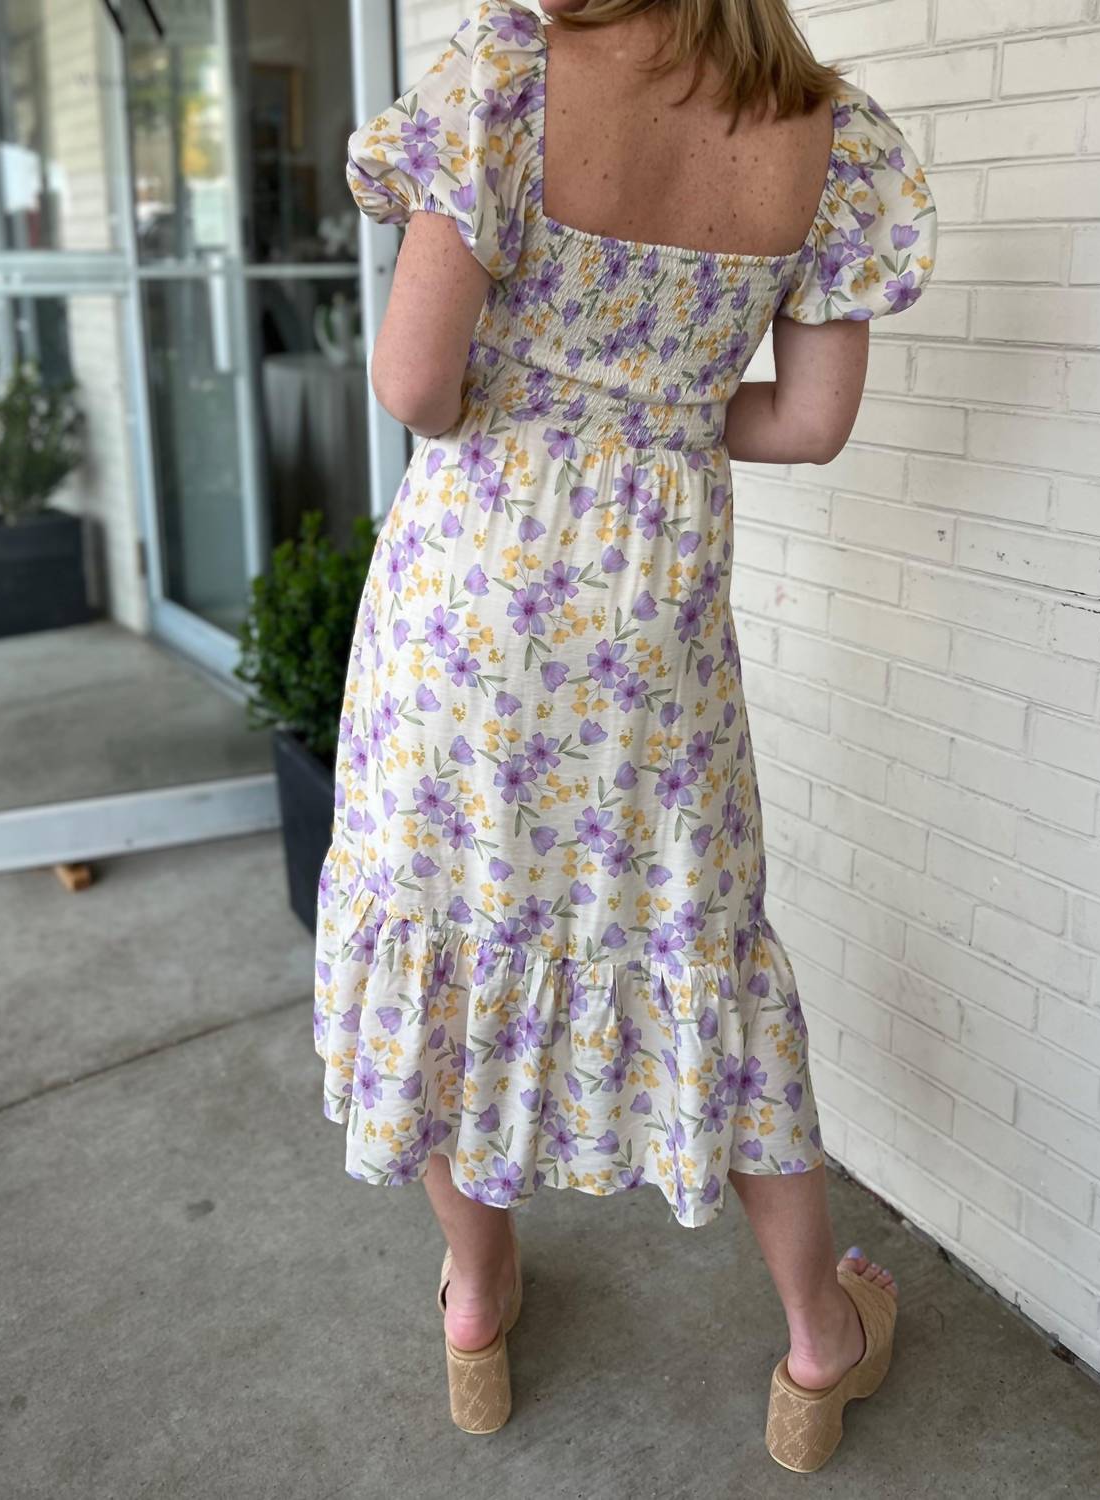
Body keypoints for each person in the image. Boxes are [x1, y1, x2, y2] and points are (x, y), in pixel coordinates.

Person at [313, 0, 936, 1469]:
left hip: (470, 602)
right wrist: (652, 417)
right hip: (654, 612)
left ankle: (478, 1298)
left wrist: (549, 406)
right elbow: (812, 422)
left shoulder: (509, 76)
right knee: (699, 938)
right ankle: (818, 1343)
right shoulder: (832, 137)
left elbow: (414, 385)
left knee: (446, 920)